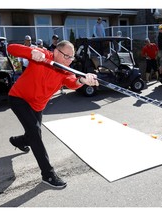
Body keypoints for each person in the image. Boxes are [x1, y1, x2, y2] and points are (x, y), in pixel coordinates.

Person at [7, 40, 99, 189]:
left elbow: (72, 83)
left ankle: (18, 141)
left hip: (37, 105)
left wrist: (83, 80)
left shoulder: (64, 70)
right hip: (19, 98)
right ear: (56, 52)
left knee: (33, 134)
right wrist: (31, 53)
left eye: (72, 57)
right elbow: (11, 48)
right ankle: (48, 174)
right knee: (35, 133)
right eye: (66, 56)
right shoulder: (43, 55)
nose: (69, 60)